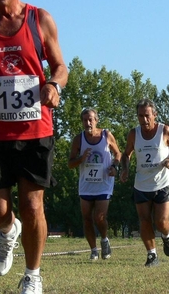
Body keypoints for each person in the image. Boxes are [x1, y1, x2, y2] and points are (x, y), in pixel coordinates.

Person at [0, 0, 68, 293]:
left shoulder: (40, 20)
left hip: (35, 130)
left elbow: (61, 67)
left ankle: (32, 274)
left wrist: (53, 84)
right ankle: (9, 231)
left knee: (32, 205)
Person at [120, 99, 169, 267]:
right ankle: (152, 255)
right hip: (141, 183)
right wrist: (125, 169)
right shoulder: (134, 134)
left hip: (162, 182)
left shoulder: (164, 131)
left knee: (162, 222)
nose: (144, 120)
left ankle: (167, 236)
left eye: (147, 116)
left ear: (154, 115)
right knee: (144, 220)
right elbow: (126, 154)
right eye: (140, 116)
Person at [68, 109, 122, 260]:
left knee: (99, 217)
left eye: (90, 119)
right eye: (85, 120)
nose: (88, 123)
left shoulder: (106, 135)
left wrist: (115, 167)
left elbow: (118, 154)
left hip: (104, 182)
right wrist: (81, 158)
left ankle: (104, 240)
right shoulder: (79, 139)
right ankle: (93, 250)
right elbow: (70, 164)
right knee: (86, 218)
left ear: (96, 120)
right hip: (86, 184)